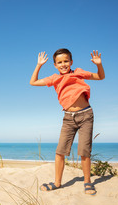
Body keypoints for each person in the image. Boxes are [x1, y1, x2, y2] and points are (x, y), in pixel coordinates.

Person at [29, 48, 105, 195]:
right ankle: (57, 183)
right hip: (68, 118)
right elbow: (33, 82)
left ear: (71, 62)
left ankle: (87, 182)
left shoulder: (78, 72)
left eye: (66, 61)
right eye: (59, 62)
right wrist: (39, 65)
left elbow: (100, 77)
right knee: (60, 151)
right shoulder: (54, 78)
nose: (63, 64)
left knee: (84, 151)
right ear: (55, 65)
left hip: (86, 115)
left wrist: (98, 64)